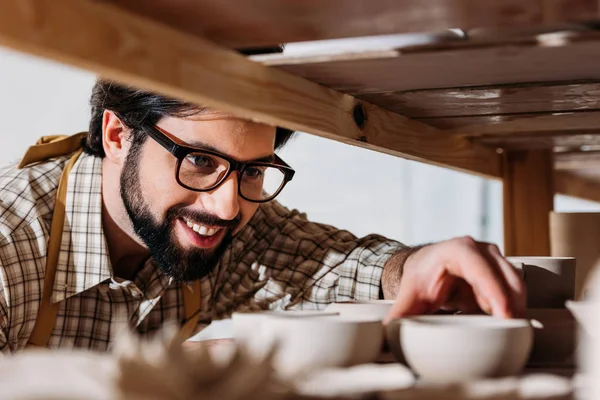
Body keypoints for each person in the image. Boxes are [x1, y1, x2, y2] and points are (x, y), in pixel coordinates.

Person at [0, 79, 525, 354]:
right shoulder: (9, 240)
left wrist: (417, 267)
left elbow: (328, 264)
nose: (227, 207)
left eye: (252, 172)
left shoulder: (212, 231)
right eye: (200, 161)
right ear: (118, 136)